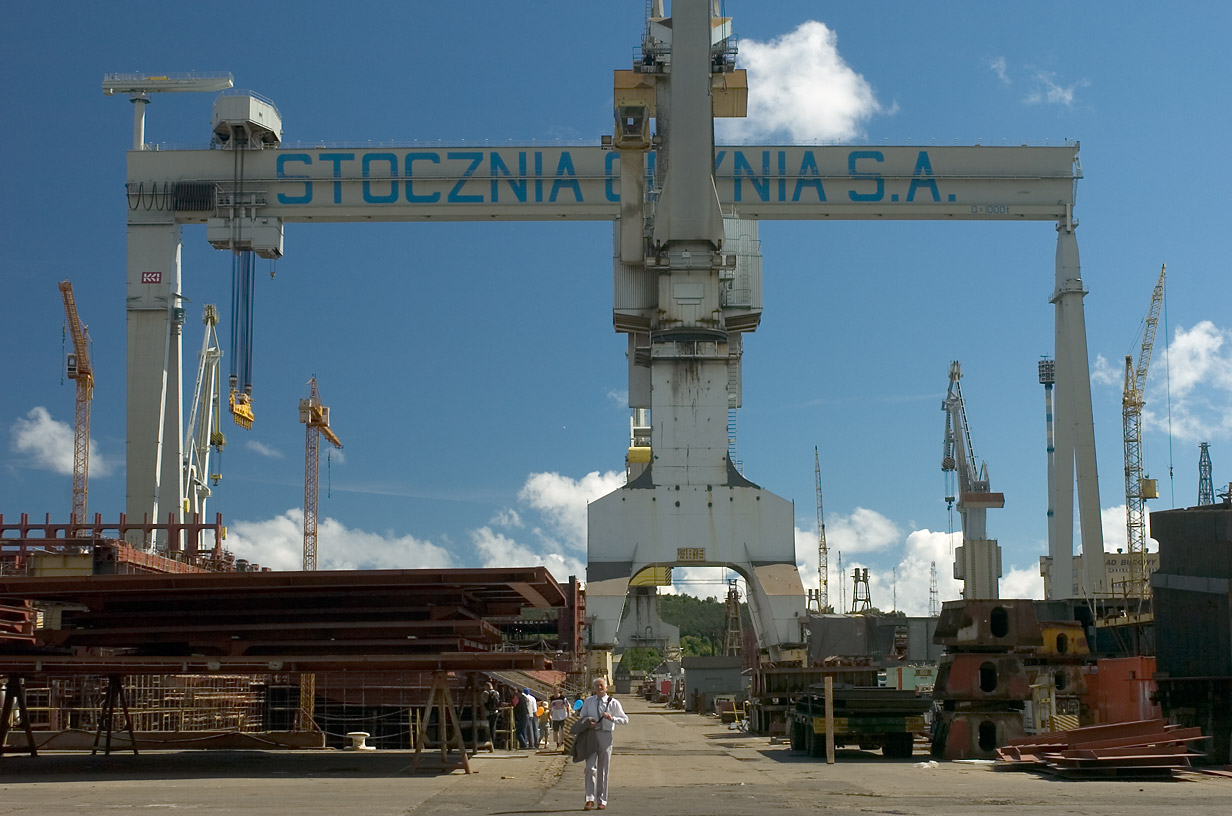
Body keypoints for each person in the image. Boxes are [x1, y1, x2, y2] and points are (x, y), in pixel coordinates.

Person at [577, 676, 628, 810]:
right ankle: (589, 799)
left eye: (601, 685)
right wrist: (588, 722)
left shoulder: (613, 703)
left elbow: (625, 719)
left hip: (606, 735)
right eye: (597, 685)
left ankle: (602, 799)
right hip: (591, 736)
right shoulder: (589, 701)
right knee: (589, 767)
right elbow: (582, 717)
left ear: (606, 687)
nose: (599, 688)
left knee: (603, 769)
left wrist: (612, 718)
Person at [548, 686, 570, 750]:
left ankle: (562, 741)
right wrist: (550, 715)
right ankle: (557, 742)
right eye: (554, 691)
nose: (555, 692)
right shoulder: (552, 699)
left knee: (562, 730)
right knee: (555, 730)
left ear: (558, 691)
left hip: (562, 715)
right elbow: (550, 708)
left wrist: (568, 714)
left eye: (556, 690)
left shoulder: (562, 698)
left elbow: (567, 706)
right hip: (555, 716)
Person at [481, 680, 501, 748]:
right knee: (493, 728)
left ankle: (488, 742)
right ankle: (493, 743)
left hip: (488, 713)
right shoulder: (497, 693)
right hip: (496, 712)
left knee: (487, 728)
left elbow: (483, 701)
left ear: (487, 687)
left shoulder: (485, 693)